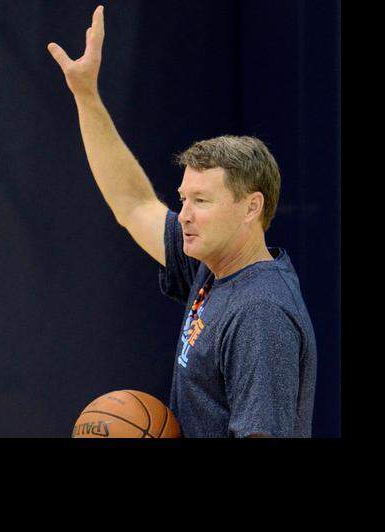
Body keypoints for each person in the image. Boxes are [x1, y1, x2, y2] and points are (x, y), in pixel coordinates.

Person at [48, 5, 316, 438]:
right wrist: (86, 96)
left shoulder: (260, 314)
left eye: (202, 201)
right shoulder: (212, 264)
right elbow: (132, 203)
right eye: (183, 199)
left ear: (251, 207)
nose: (185, 214)